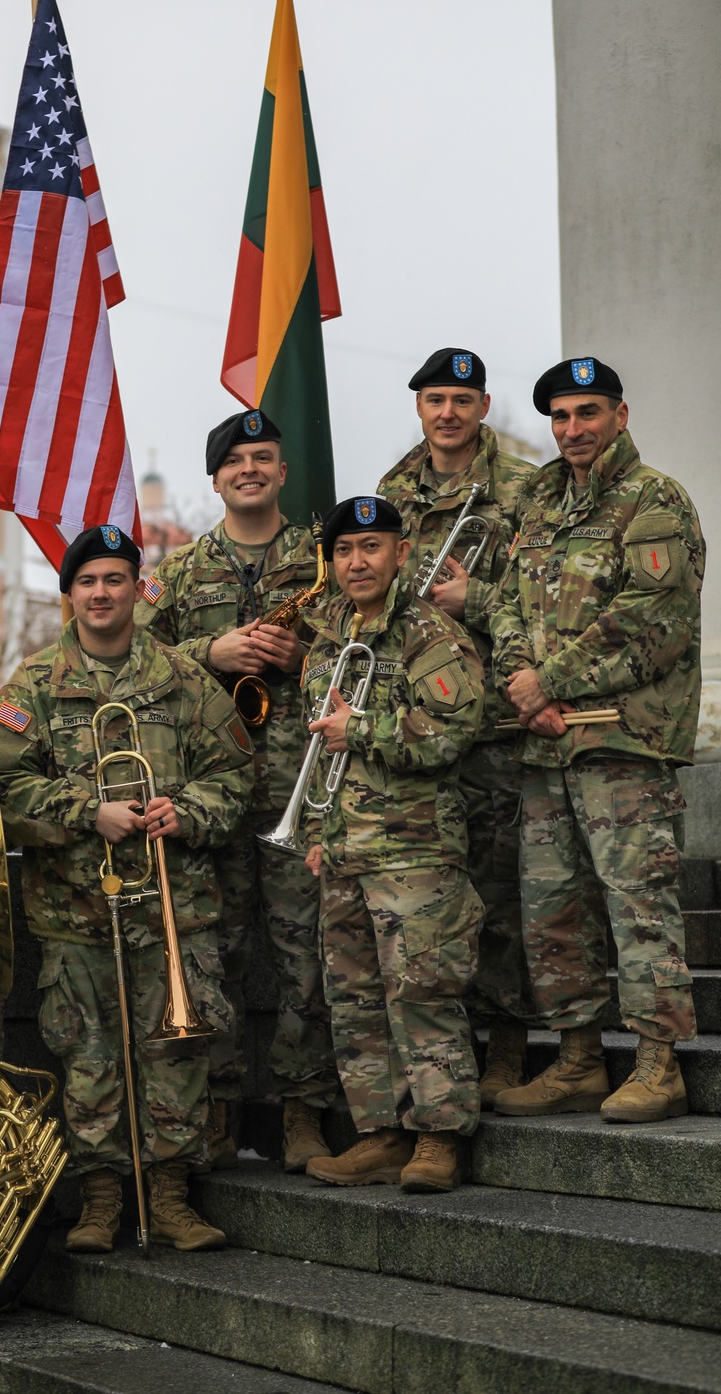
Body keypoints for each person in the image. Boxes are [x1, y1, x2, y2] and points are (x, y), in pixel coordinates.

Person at [0, 524, 253, 1252]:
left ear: (138, 588)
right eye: (87, 582)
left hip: (174, 907)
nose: (101, 593)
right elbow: (1, 788)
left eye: (114, 579)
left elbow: (236, 776)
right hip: (75, 912)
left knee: (177, 1055)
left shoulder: (184, 679)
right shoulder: (32, 685)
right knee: (87, 1055)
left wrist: (187, 809)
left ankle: (170, 1197)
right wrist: (86, 811)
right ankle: (102, 1201)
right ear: (68, 594)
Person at [491, 357, 705, 1124]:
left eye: (587, 413)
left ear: (620, 414)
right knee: (552, 909)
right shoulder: (540, 503)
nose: (572, 429)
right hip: (546, 743)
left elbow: (656, 623)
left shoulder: (655, 500)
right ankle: (578, 1060)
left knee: (637, 905)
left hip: (625, 742)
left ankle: (659, 1064)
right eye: (559, 416)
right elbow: (507, 604)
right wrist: (524, 684)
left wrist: (551, 681)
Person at [134, 409, 338, 1173]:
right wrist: (209, 650)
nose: (248, 470)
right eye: (234, 462)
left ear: (283, 473)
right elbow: (136, 660)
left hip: (303, 789)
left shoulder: (325, 557)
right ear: (214, 480)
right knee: (209, 956)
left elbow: (369, 645)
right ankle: (215, 1111)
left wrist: (305, 650)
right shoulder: (179, 572)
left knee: (305, 959)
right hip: (209, 794)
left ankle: (303, 1114)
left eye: (263, 458)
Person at [301, 496, 485, 1193]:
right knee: (354, 1001)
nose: (357, 561)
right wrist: (319, 831)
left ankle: (438, 1139)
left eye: (372, 547)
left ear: (401, 553)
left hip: (416, 853)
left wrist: (367, 730)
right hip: (346, 852)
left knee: (423, 994)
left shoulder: (429, 633)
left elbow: (453, 729)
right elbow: (319, 749)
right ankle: (378, 1133)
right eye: (345, 550)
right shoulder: (326, 641)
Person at [377, 348, 535, 1105]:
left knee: (499, 892)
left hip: (496, 723)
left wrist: (477, 598)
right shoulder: (392, 491)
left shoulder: (526, 488)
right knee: (436, 894)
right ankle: (450, 1048)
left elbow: (544, 599)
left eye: (462, 400)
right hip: (417, 722)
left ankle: (506, 1043)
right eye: (435, 398)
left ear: (482, 407)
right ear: (419, 407)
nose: (448, 412)